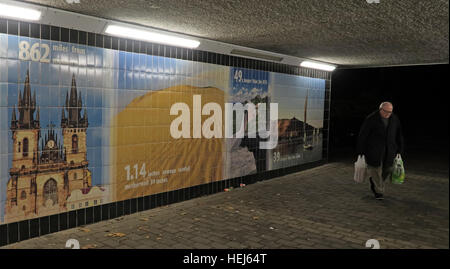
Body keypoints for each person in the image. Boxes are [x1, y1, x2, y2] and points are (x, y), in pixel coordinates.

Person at [356, 102, 404, 200]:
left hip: (390, 149)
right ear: (380, 109)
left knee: (388, 169)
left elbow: (399, 134)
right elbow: (363, 135)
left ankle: (374, 181)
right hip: (374, 150)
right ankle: (379, 191)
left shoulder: (394, 119)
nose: (388, 114)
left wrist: (400, 148)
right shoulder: (371, 119)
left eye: (390, 112)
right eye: (386, 111)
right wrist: (361, 150)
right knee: (375, 169)